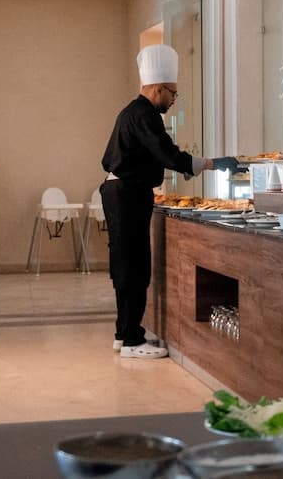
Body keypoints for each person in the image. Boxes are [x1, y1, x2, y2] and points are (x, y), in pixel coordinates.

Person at [100, 44, 239, 359]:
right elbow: (167, 153)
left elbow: (154, 155)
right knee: (134, 267)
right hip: (127, 194)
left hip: (122, 192)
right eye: (173, 93)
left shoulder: (133, 112)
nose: (174, 100)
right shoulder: (145, 114)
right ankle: (131, 339)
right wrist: (212, 164)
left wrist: (190, 166)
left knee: (126, 264)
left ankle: (124, 334)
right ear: (158, 89)